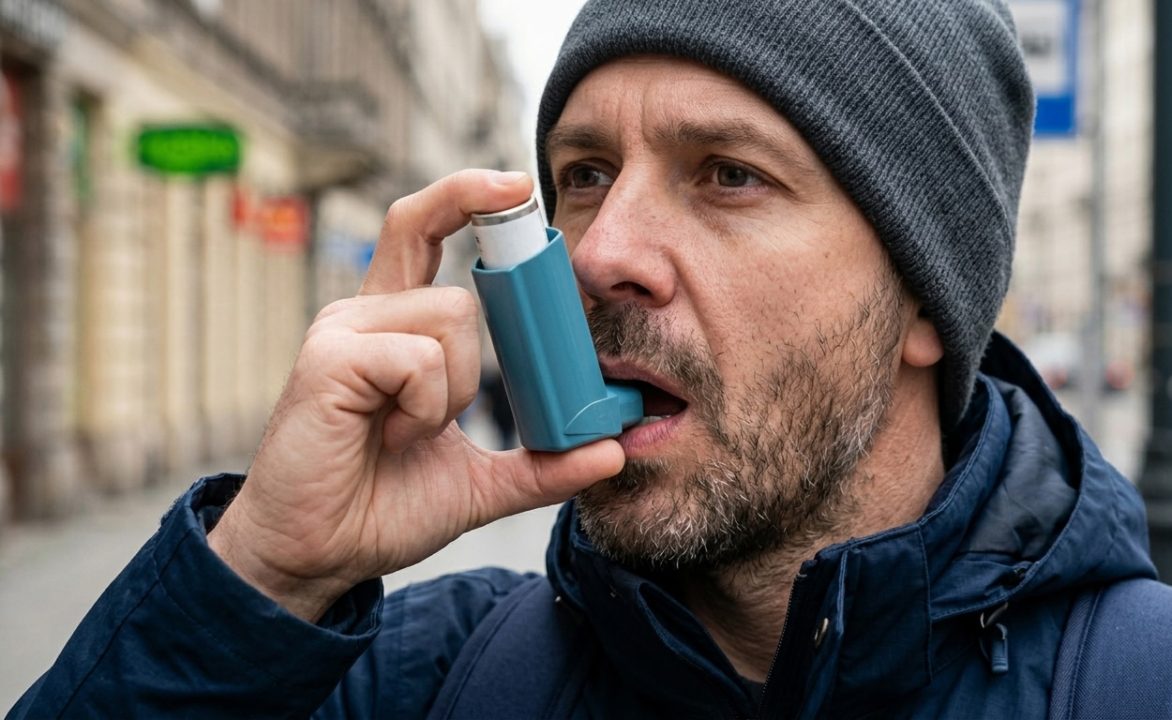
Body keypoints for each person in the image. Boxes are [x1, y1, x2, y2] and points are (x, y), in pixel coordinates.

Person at [10, 1, 1172, 718]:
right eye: (583, 175)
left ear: (923, 297)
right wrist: (264, 575)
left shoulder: (1133, 686)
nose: (600, 252)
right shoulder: (426, 678)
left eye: (728, 175)